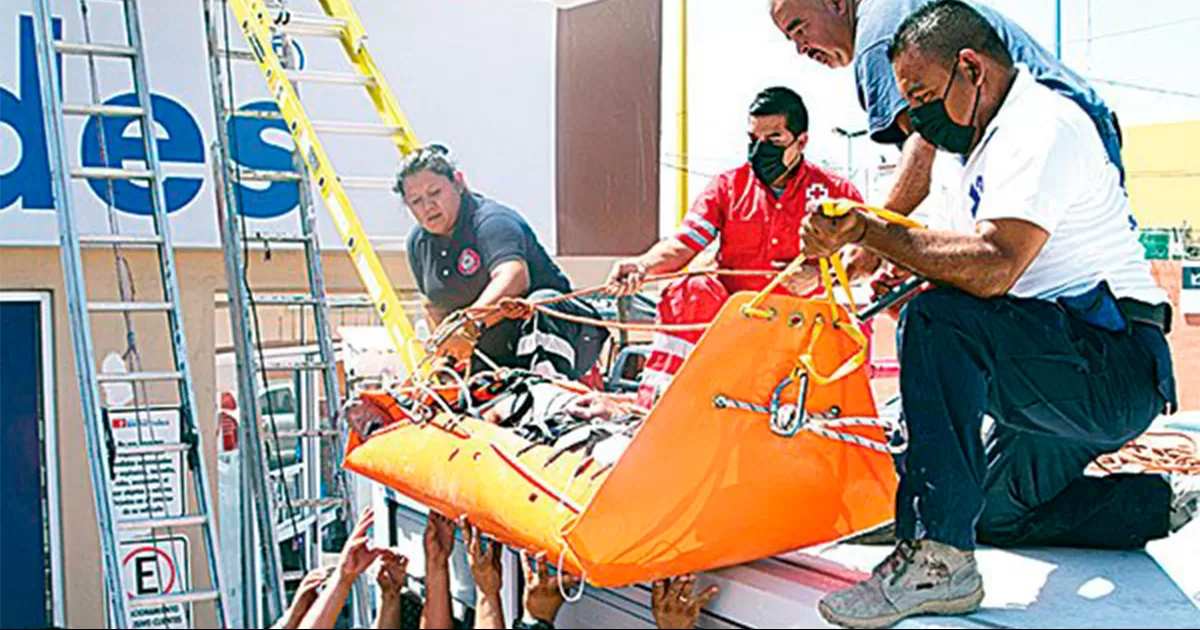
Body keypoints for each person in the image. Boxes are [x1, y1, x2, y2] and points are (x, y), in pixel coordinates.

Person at [800, 3, 1194, 627]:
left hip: (1111, 367)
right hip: (1058, 370)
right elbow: (966, 275)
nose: (919, 120)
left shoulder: (1042, 125)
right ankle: (1149, 505)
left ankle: (939, 559)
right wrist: (895, 265)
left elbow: (994, 265)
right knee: (989, 507)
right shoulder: (970, 154)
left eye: (925, 97)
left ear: (971, 68)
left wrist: (872, 231)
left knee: (936, 321)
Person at [607, 87, 868, 405]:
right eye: (753, 140)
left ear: (802, 142)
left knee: (853, 321)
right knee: (692, 288)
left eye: (773, 140)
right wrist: (642, 266)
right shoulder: (727, 187)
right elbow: (684, 243)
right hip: (734, 323)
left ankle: (836, 419)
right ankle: (663, 402)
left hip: (800, 326)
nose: (761, 150)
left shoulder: (834, 192)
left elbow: (867, 254)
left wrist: (817, 278)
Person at [769, 0, 1126, 221]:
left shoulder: (878, 36)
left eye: (799, 28)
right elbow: (944, 169)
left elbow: (923, 148)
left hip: (1059, 138)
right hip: (1079, 130)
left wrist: (874, 241)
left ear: (835, 3)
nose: (800, 48)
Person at [398, 144, 609, 380]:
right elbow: (435, 307)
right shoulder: (418, 243)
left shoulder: (492, 221)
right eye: (416, 201)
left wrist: (467, 325)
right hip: (493, 356)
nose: (428, 206)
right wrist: (446, 357)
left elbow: (514, 277)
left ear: (458, 182)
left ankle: (547, 395)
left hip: (563, 333)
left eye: (435, 193)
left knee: (540, 304)